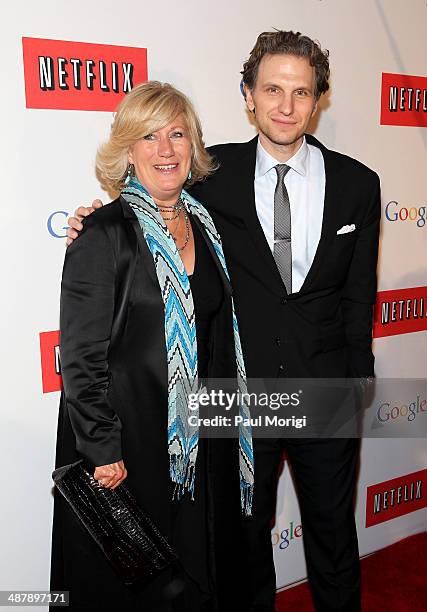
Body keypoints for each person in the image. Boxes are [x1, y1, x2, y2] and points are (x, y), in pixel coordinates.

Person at [67, 31, 381, 611]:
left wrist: (357, 384)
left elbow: (360, 299)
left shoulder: (360, 185)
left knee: (335, 538)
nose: (286, 106)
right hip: (237, 399)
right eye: (272, 90)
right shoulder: (212, 175)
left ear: (319, 100)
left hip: (327, 390)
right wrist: (93, 213)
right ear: (249, 96)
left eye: (301, 92)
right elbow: (146, 204)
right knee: (241, 544)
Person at [51, 80, 254, 612]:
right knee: (131, 590)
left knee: (191, 578)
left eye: (177, 134)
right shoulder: (103, 233)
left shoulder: (207, 228)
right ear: (127, 151)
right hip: (127, 449)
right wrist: (101, 449)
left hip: (199, 444)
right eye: (149, 137)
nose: (165, 150)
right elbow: (79, 356)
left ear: (193, 145)